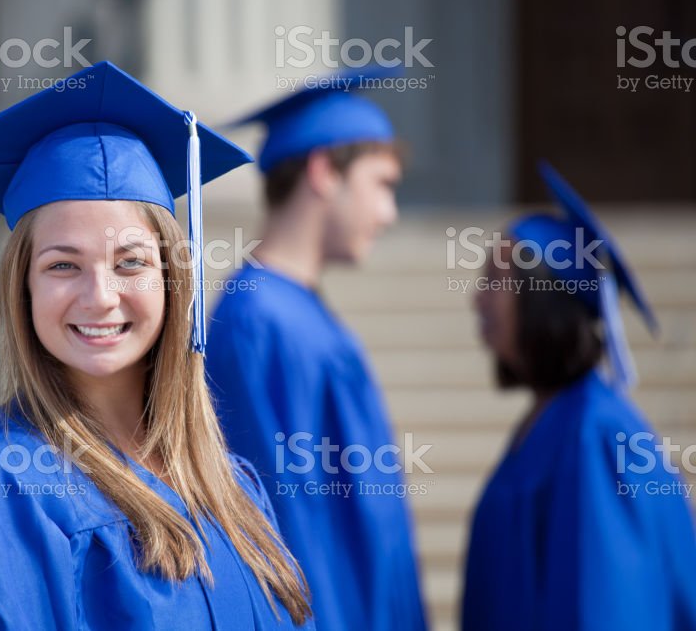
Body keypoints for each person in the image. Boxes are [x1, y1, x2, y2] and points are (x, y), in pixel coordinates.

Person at [0, 61, 314, 630]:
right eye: (63, 265)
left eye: (131, 263)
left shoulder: (231, 483)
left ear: (172, 279)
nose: (100, 297)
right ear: (23, 287)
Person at [205, 69, 427, 631]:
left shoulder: (293, 311)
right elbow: (290, 523)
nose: (388, 213)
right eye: (382, 185)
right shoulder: (260, 322)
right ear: (324, 171)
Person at [462, 162, 696, 630]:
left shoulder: (598, 436)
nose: (477, 297)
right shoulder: (553, 421)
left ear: (540, 297)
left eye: (494, 280)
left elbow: (612, 610)